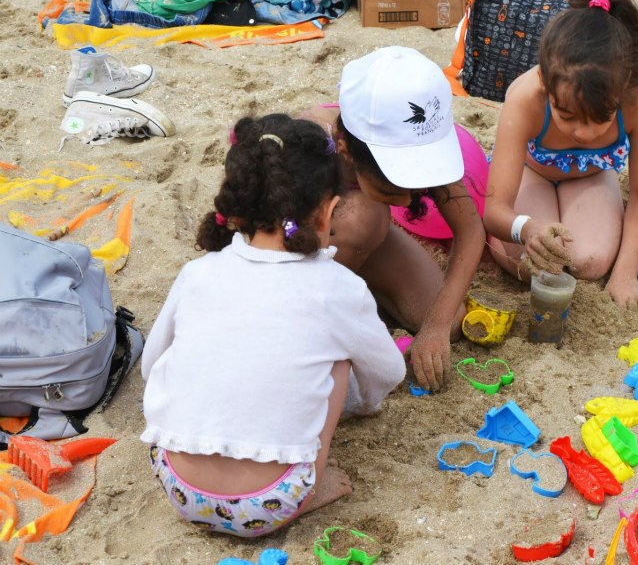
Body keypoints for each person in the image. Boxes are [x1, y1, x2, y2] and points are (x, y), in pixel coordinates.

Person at [140, 114, 405, 537]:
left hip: (178, 487)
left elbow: (150, 365)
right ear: (329, 210)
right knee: (338, 360)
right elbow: (389, 371)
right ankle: (311, 487)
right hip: (271, 502)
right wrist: (360, 402)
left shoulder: (198, 272)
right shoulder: (338, 286)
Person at [300, 46, 486, 390]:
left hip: (356, 241)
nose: (406, 201)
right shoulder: (306, 145)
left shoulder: (419, 137)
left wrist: (435, 326)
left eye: (416, 187)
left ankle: (361, 287)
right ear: (347, 151)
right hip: (302, 252)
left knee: (452, 320)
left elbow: (471, 230)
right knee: (368, 217)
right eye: (393, 188)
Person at [483, 0, 638, 312]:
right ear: (544, 81)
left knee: (591, 262)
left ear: (623, 83)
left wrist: (625, 274)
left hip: (591, 177)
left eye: (601, 118)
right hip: (531, 173)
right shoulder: (526, 98)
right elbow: (495, 208)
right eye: (566, 116)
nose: (583, 133)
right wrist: (526, 228)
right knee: (538, 267)